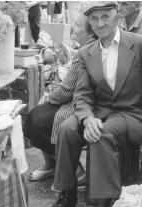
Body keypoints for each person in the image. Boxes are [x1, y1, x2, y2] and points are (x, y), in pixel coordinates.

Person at [47, 2, 142, 207]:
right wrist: (86, 118)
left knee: (103, 134)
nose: (99, 23)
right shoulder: (86, 52)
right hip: (99, 112)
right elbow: (82, 94)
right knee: (67, 128)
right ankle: (68, 194)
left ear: (117, 16)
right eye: (94, 19)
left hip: (131, 113)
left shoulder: (139, 44)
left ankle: (109, 204)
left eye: (105, 17)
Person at [25, 15, 98, 182]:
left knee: (39, 119)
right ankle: (51, 165)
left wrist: (49, 96)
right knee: (37, 113)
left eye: (77, 25)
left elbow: (67, 91)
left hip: (84, 105)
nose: (73, 27)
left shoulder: (84, 52)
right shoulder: (86, 47)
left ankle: (75, 169)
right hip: (82, 99)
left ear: (90, 32)